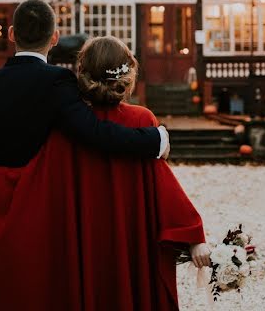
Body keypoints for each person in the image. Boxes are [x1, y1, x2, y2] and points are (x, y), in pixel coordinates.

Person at [0, 0, 172, 310]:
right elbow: (94, 132)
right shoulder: (57, 82)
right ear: (55, 37)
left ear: (10, 34)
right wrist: (153, 139)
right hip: (39, 210)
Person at [68, 36, 210, 310]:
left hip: (85, 239)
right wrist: (192, 234)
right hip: (135, 239)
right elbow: (161, 185)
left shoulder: (71, 124)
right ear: (128, 74)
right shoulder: (141, 120)